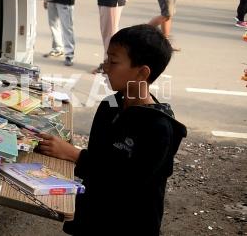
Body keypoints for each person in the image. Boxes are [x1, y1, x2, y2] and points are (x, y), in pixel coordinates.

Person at [37, 25, 187, 236]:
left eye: (114, 62)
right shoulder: (110, 105)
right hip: (94, 217)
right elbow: (98, 161)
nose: (105, 67)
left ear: (142, 72)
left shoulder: (158, 128)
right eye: (107, 60)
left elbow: (126, 182)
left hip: (128, 225)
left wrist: (73, 154)